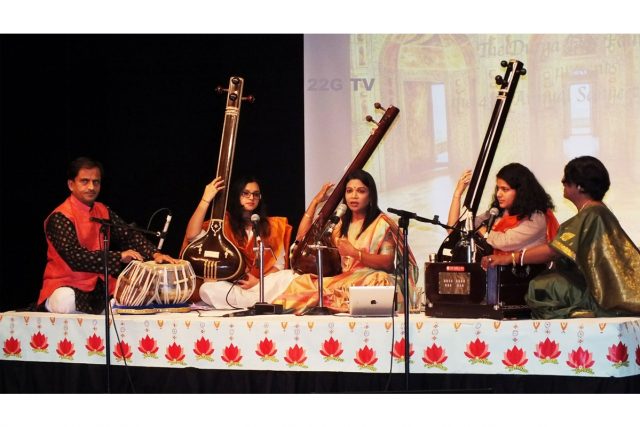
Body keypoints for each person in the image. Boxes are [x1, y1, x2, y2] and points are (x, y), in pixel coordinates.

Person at [482, 156, 640, 318]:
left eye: (567, 179)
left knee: (540, 288)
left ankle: (584, 312)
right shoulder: (596, 212)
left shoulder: (592, 213)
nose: (562, 182)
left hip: (598, 294)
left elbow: (554, 251)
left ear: (580, 186)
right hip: (595, 287)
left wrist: (510, 258)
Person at [39, 157, 178, 314]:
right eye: (84, 181)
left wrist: (155, 254)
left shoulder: (102, 210)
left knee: (134, 299)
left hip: (99, 288)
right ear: (71, 185)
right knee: (66, 299)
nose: (91, 187)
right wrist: (118, 257)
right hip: (66, 284)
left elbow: (129, 235)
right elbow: (74, 257)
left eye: (96, 182)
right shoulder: (60, 217)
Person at [273, 169, 418, 314]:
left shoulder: (381, 223)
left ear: (370, 196)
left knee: (379, 279)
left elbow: (387, 262)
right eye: (349, 191)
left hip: (369, 278)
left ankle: (328, 303)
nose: (354, 196)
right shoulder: (339, 224)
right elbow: (302, 238)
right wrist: (316, 202)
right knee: (302, 282)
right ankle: (279, 312)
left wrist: (355, 253)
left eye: (361, 191)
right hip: (345, 280)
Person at [185, 176, 295, 308]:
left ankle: (252, 302)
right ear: (236, 196)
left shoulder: (272, 227)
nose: (251, 198)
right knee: (207, 289)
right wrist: (205, 199)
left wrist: (258, 282)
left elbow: (279, 265)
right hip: (232, 287)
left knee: (290, 275)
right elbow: (192, 235)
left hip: (262, 286)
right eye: (246, 193)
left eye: (256, 194)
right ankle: (257, 303)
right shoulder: (222, 226)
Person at [449, 163, 559, 257]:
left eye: (505, 189)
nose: (498, 194)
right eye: (498, 188)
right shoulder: (496, 213)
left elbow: (504, 242)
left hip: (526, 279)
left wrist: (480, 229)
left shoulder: (536, 217)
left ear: (521, 191)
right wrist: (457, 195)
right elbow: (454, 230)